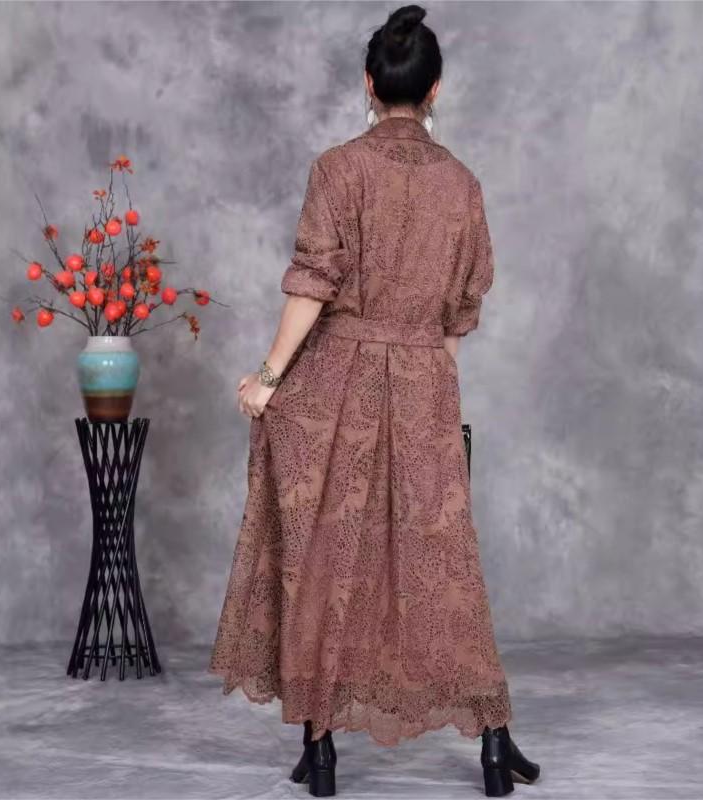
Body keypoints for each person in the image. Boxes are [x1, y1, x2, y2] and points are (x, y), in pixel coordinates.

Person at [208, 4, 540, 797]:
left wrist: (269, 378)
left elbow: (313, 286)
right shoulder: (462, 185)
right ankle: (494, 744)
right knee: (441, 566)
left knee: (325, 560)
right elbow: (459, 314)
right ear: (435, 90)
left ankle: (321, 750)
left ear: (368, 83)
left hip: (337, 387)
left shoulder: (338, 169)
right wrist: (433, 392)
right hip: (425, 383)